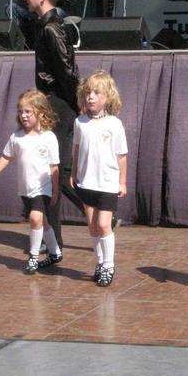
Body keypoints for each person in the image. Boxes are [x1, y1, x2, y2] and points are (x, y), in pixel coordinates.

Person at [25, 0, 85, 250]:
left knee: (55, 172)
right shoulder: (45, 26)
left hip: (58, 103)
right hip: (55, 102)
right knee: (56, 172)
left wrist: (76, 102)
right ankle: (58, 236)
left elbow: (66, 70)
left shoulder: (51, 29)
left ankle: (57, 239)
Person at [0, 89, 62, 274]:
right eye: (21, 111)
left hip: (43, 187)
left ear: (40, 112)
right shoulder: (17, 137)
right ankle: (55, 252)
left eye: (28, 112)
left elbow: (54, 167)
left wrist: (55, 191)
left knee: (35, 217)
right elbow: (6, 157)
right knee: (43, 221)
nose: (23, 116)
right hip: (25, 188)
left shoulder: (48, 137)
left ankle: (32, 256)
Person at [72, 70, 128, 287]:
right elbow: (77, 150)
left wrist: (122, 181)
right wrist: (75, 172)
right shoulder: (80, 123)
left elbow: (122, 156)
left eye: (96, 92)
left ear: (107, 97)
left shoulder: (114, 124)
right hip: (87, 183)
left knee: (104, 224)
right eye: (88, 92)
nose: (91, 97)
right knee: (93, 226)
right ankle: (100, 262)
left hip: (107, 183)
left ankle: (109, 265)